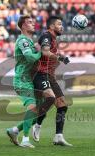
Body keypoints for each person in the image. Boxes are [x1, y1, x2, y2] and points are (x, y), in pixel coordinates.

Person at [32, 16, 72, 146]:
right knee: (50, 99)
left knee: (62, 105)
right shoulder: (46, 36)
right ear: (51, 26)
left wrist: (61, 57)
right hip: (41, 74)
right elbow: (45, 52)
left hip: (50, 75)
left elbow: (50, 52)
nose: (62, 26)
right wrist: (60, 58)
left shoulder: (53, 39)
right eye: (59, 24)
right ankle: (37, 125)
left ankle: (58, 137)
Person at [6, 15, 41, 148]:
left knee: (38, 112)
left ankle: (14, 131)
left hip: (31, 80)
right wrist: (41, 53)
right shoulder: (22, 41)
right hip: (22, 79)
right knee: (32, 107)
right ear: (23, 26)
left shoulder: (30, 42)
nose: (33, 24)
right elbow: (30, 58)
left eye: (33, 21)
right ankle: (25, 140)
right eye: (30, 22)